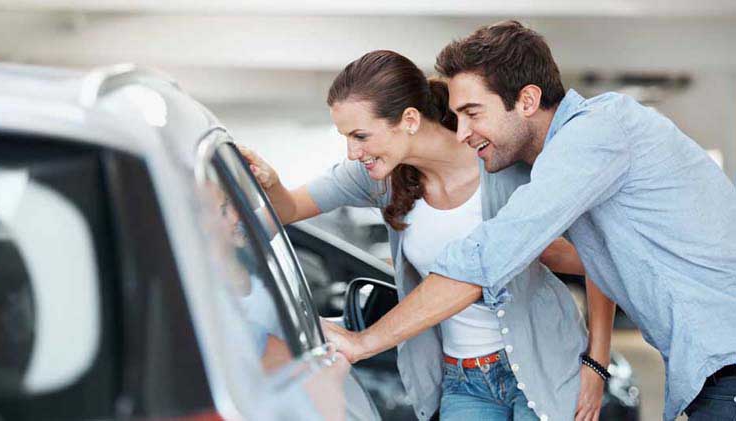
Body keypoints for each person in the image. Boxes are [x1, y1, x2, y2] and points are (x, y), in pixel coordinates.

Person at [324, 21, 736, 421]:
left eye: (472, 113)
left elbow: (485, 260)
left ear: (526, 100)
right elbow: (590, 262)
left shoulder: (594, 136)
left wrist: (364, 342)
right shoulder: (579, 154)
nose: (463, 132)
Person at [240, 50, 615, 421]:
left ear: (409, 120)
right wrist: (271, 184)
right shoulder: (379, 177)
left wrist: (597, 364)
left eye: (360, 135)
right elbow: (288, 209)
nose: (353, 152)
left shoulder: (506, 162)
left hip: (547, 367)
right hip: (464, 379)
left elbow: (602, 256)